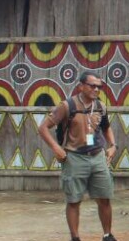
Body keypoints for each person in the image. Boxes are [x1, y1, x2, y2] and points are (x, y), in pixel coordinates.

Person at [38, 71, 118, 241]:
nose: (96, 89)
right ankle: (75, 237)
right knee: (74, 200)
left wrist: (113, 145)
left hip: (98, 156)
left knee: (105, 198)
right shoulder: (67, 106)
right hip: (74, 157)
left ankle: (107, 235)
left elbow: (106, 127)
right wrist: (56, 148)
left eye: (99, 87)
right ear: (81, 86)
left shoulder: (100, 106)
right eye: (92, 86)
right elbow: (43, 128)